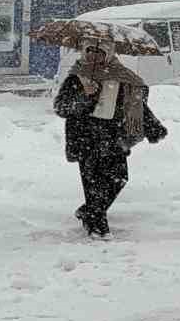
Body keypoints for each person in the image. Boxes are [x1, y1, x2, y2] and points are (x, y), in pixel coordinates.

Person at [52, 38, 166, 237]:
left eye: (99, 52)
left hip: (114, 137)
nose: (93, 56)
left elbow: (135, 106)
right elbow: (61, 107)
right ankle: (97, 226)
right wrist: (85, 96)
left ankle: (90, 212)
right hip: (84, 137)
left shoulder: (123, 77)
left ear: (109, 54)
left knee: (119, 178)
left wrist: (152, 126)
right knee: (93, 183)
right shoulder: (77, 77)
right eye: (89, 51)